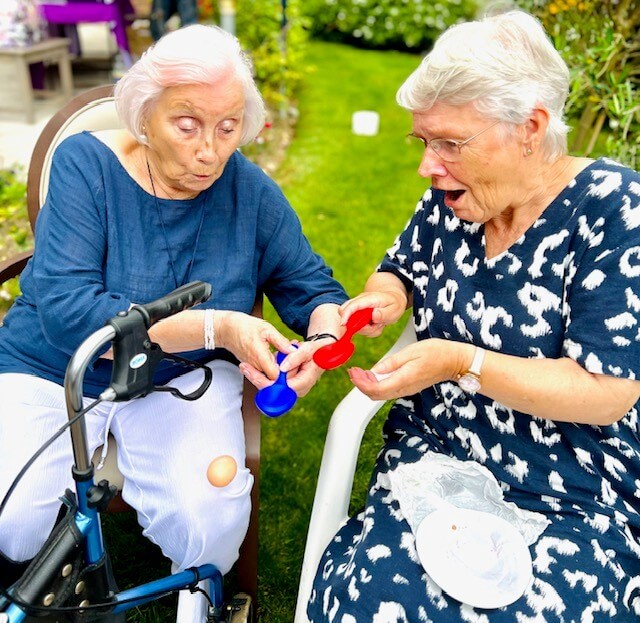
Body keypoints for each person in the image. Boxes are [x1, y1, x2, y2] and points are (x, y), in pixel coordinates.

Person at [0, 24, 348, 622]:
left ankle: (200, 603)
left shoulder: (251, 193)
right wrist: (215, 328)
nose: (210, 150)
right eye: (187, 125)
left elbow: (313, 288)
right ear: (143, 116)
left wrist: (320, 339)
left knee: (209, 515)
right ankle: (39, 576)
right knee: (12, 515)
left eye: (228, 127)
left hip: (177, 380)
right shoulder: (89, 167)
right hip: (55, 365)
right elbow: (67, 311)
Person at [305, 9, 640, 622]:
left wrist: (460, 362)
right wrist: (384, 299)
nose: (427, 166)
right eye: (423, 141)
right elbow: (400, 270)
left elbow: (606, 393)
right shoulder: (451, 195)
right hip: (438, 463)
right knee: (374, 596)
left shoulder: (614, 209)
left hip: (572, 487)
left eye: (450, 143)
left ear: (530, 128)